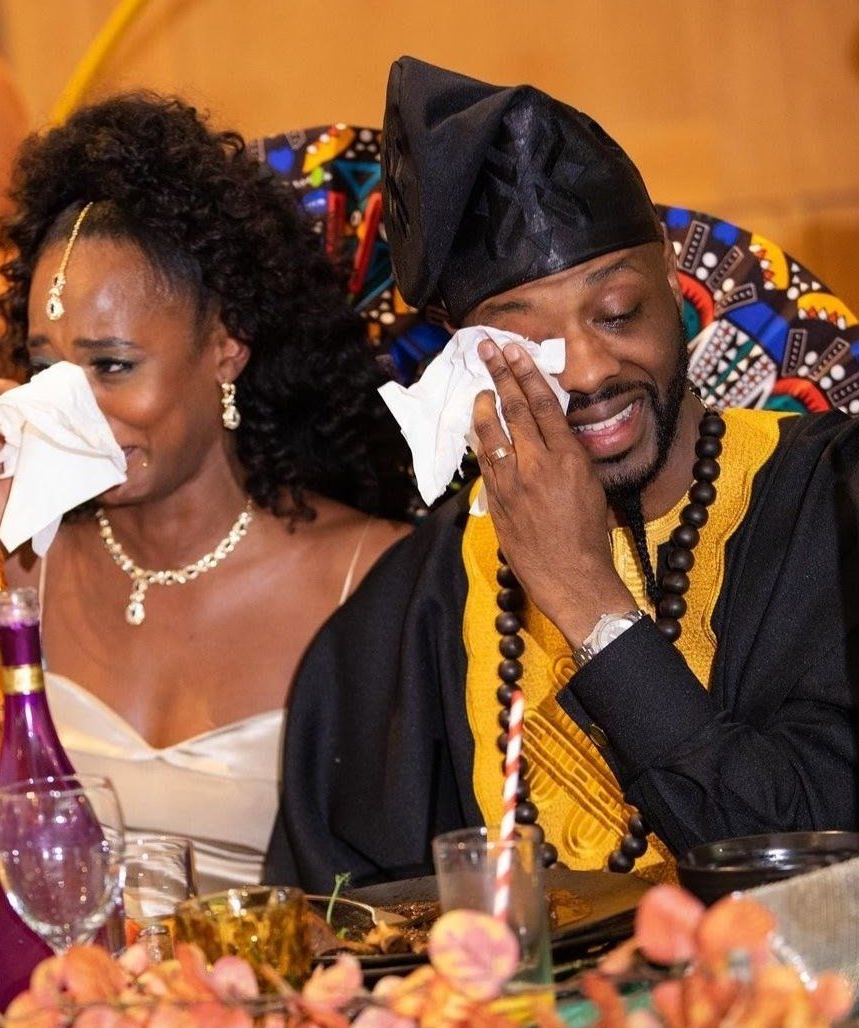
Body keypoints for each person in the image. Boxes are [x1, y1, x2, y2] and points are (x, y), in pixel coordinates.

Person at [266, 57, 859, 891]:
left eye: (617, 314)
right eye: (526, 347)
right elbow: (340, 926)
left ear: (667, 270)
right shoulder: (427, 597)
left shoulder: (832, 504)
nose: (584, 369)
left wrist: (587, 597)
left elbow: (813, 871)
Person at [0, 91, 413, 891]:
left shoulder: (372, 579)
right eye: (46, 369)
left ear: (227, 346)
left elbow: (414, 907)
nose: (70, 411)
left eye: (111, 367)